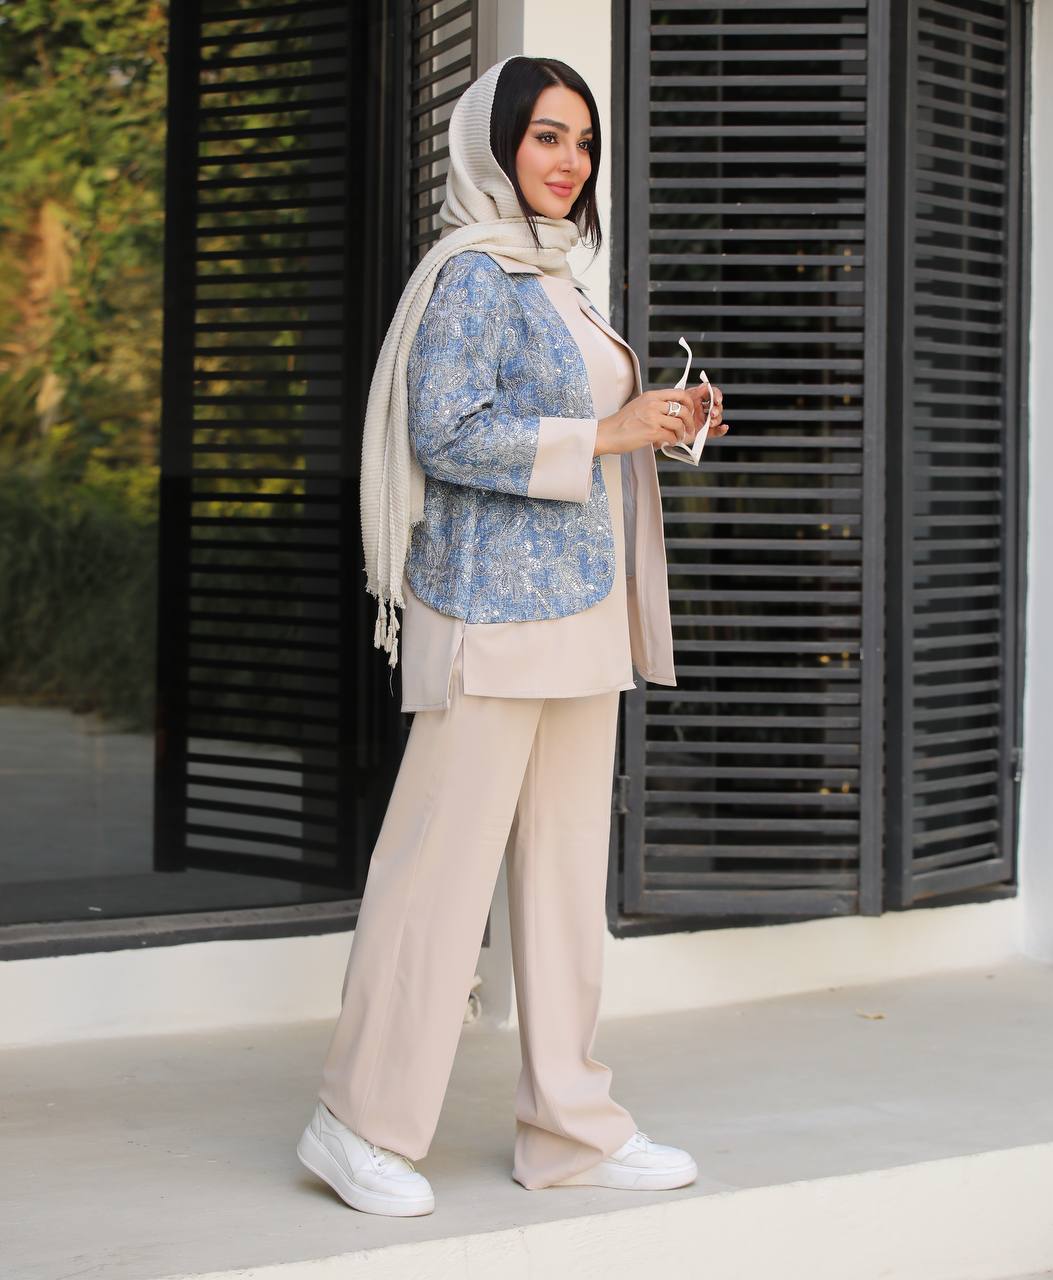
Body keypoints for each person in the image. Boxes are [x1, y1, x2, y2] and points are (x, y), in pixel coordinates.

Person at [296, 54, 728, 1217]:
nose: (570, 160)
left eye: (583, 141)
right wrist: (606, 432)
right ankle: (357, 1121)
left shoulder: (558, 275)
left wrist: (658, 421)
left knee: (564, 881)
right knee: (435, 876)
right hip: (489, 613)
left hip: (580, 612)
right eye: (546, 135)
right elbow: (447, 431)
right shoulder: (473, 274)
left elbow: (585, 426)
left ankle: (571, 1130)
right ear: (494, 144)